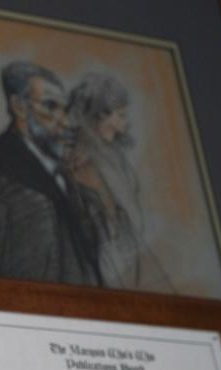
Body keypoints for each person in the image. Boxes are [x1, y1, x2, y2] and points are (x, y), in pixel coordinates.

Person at [0, 61, 102, 286]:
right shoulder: (3, 167)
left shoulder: (55, 164)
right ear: (19, 106)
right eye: (50, 106)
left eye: (65, 109)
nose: (65, 122)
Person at [67, 72, 173, 292]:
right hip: (111, 248)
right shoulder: (85, 158)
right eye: (121, 114)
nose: (126, 120)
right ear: (102, 117)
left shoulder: (112, 152)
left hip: (129, 243)